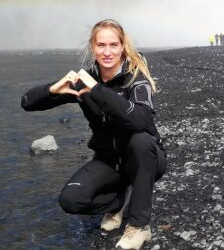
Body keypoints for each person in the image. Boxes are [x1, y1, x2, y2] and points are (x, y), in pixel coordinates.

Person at [21, 19, 166, 250]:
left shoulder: (135, 78)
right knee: (70, 200)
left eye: (113, 45)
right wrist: (52, 89)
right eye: (101, 45)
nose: (107, 52)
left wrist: (97, 90)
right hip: (108, 161)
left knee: (141, 141)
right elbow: (27, 103)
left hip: (146, 159)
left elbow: (141, 120)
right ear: (93, 47)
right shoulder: (83, 81)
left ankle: (139, 226)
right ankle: (119, 201)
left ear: (122, 47)